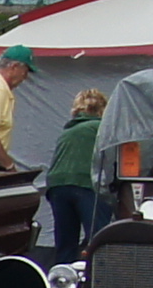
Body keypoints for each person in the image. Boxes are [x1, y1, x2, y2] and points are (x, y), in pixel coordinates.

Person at [41, 86, 106, 258]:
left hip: (57, 186)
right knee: (99, 238)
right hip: (85, 184)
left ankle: (61, 278)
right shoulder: (102, 128)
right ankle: (96, 277)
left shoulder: (67, 131)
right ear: (102, 109)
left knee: (65, 241)